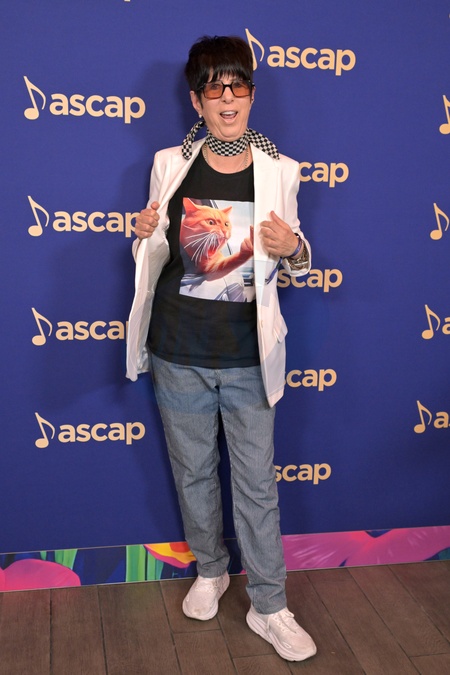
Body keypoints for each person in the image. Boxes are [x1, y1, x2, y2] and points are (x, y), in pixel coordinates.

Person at [126, 35, 316, 663]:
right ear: (196, 100)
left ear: (252, 95)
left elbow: (295, 261)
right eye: (214, 87)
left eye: (238, 86)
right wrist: (143, 234)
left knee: (257, 484)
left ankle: (270, 605)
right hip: (177, 349)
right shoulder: (168, 163)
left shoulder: (281, 171)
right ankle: (210, 571)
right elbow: (156, 255)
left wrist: (293, 248)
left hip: (246, 357)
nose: (227, 98)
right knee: (194, 473)